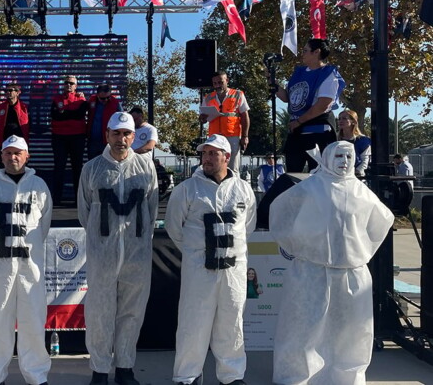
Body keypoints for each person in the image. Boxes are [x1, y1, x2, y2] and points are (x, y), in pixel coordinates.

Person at [269, 141, 394, 384]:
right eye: (338, 155)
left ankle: (347, 376)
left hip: (351, 273)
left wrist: (361, 251)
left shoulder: (362, 192)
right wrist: (298, 247)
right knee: (304, 329)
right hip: (311, 272)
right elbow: (280, 213)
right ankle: (297, 376)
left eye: (348, 156)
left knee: (352, 332)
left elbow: (382, 220)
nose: (344, 161)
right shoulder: (309, 189)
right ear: (326, 157)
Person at [164, 134, 255, 385]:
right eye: (204, 153)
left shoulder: (243, 189)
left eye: (213, 153)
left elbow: (247, 227)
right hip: (199, 269)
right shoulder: (186, 189)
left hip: (232, 269)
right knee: (194, 321)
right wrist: (197, 252)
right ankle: (187, 376)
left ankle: (232, 375)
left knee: (232, 321)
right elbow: (174, 227)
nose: (207, 158)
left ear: (227, 157)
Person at [78, 112, 159, 385]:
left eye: (126, 134)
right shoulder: (91, 169)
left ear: (134, 137)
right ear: (107, 135)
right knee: (100, 312)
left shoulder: (146, 168)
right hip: (103, 255)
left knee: (132, 312)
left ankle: (125, 368)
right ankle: (100, 369)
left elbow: (151, 208)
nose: (121, 139)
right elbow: (84, 211)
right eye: (116, 133)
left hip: (136, 254)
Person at [0, 135, 53, 385]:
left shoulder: (39, 186)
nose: (13, 157)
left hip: (30, 268)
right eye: (8, 153)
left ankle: (37, 376)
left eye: (17, 152)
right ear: (1, 157)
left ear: (27, 156)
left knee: (33, 322)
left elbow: (43, 226)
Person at [275, 39, 345, 172]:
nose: (302, 53)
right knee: (293, 175)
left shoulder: (328, 74)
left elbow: (323, 104)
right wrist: (272, 81)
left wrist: (299, 121)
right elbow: (287, 98)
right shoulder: (299, 73)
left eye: (306, 50)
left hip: (318, 132)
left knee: (319, 175)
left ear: (317, 52)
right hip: (297, 133)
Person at [200, 71, 250, 171]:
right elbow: (202, 118)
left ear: (226, 81)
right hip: (214, 138)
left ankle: (233, 186)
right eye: (215, 83)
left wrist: (245, 136)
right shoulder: (208, 97)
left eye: (220, 82)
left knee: (232, 168)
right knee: (215, 167)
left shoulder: (238, 94)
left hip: (232, 136)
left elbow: (245, 117)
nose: (218, 85)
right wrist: (202, 118)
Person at [50, 75, 88, 205]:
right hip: (59, 137)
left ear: (76, 86)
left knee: (77, 168)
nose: (69, 85)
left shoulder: (81, 98)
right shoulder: (57, 99)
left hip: (77, 136)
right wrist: (71, 113)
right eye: (66, 83)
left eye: (71, 83)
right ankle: (56, 199)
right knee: (59, 168)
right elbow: (55, 116)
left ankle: (79, 199)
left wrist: (64, 113)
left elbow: (80, 114)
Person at [87, 84, 123, 159]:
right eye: (103, 98)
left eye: (108, 97)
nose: (106, 100)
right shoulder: (91, 100)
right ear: (97, 95)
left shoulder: (116, 103)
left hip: (108, 141)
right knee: (92, 164)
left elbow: (122, 119)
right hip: (93, 141)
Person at [337, 109, 371, 177]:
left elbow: (365, 160)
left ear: (353, 121)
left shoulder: (363, 141)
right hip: (337, 176)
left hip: (356, 177)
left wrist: (357, 172)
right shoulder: (335, 140)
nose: (340, 121)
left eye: (344, 118)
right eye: (339, 118)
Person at [0, 83, 30, 148]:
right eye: (6, 91)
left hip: (20, 141)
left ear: (17, 92)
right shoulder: (1, 107)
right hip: (4, 141)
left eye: (10, 90)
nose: (8, 92)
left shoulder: (24, 108)